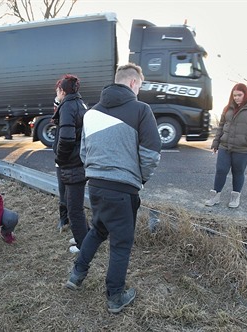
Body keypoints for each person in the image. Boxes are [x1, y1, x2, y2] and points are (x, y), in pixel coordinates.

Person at [65, 63, 161, 314]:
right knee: (121, 243)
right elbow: (151, 154)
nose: (139, 90)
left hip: (95, 186)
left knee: (97, 229)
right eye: (139, 85)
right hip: (123, 188)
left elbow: (84, 152)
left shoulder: (91, 113)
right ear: (132, 83)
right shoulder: (141, 110)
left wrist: (99, 173)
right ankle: (115, 296)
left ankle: (77, 274)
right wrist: (141, 179)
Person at [205, 83, 247, 208]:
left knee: (238, 171)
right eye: (234, 95)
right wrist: (216, 142)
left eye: (239, 95)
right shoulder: (228, 108)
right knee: (221, 170)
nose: (236, 98)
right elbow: (222, 126)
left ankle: (235, 197)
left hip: (244, 148)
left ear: (246, 94)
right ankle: (215, 196)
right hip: (225, 145)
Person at [52, 74, 89, 254]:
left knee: (74, 208)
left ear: (62, 90)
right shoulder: (80, 104)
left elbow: (66, 138)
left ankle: (83, 245)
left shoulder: (67, 106)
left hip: (72, 164)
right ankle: (83, 235)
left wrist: (60, 158)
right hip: (80, 161)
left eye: (57, 91)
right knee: (76, 205)